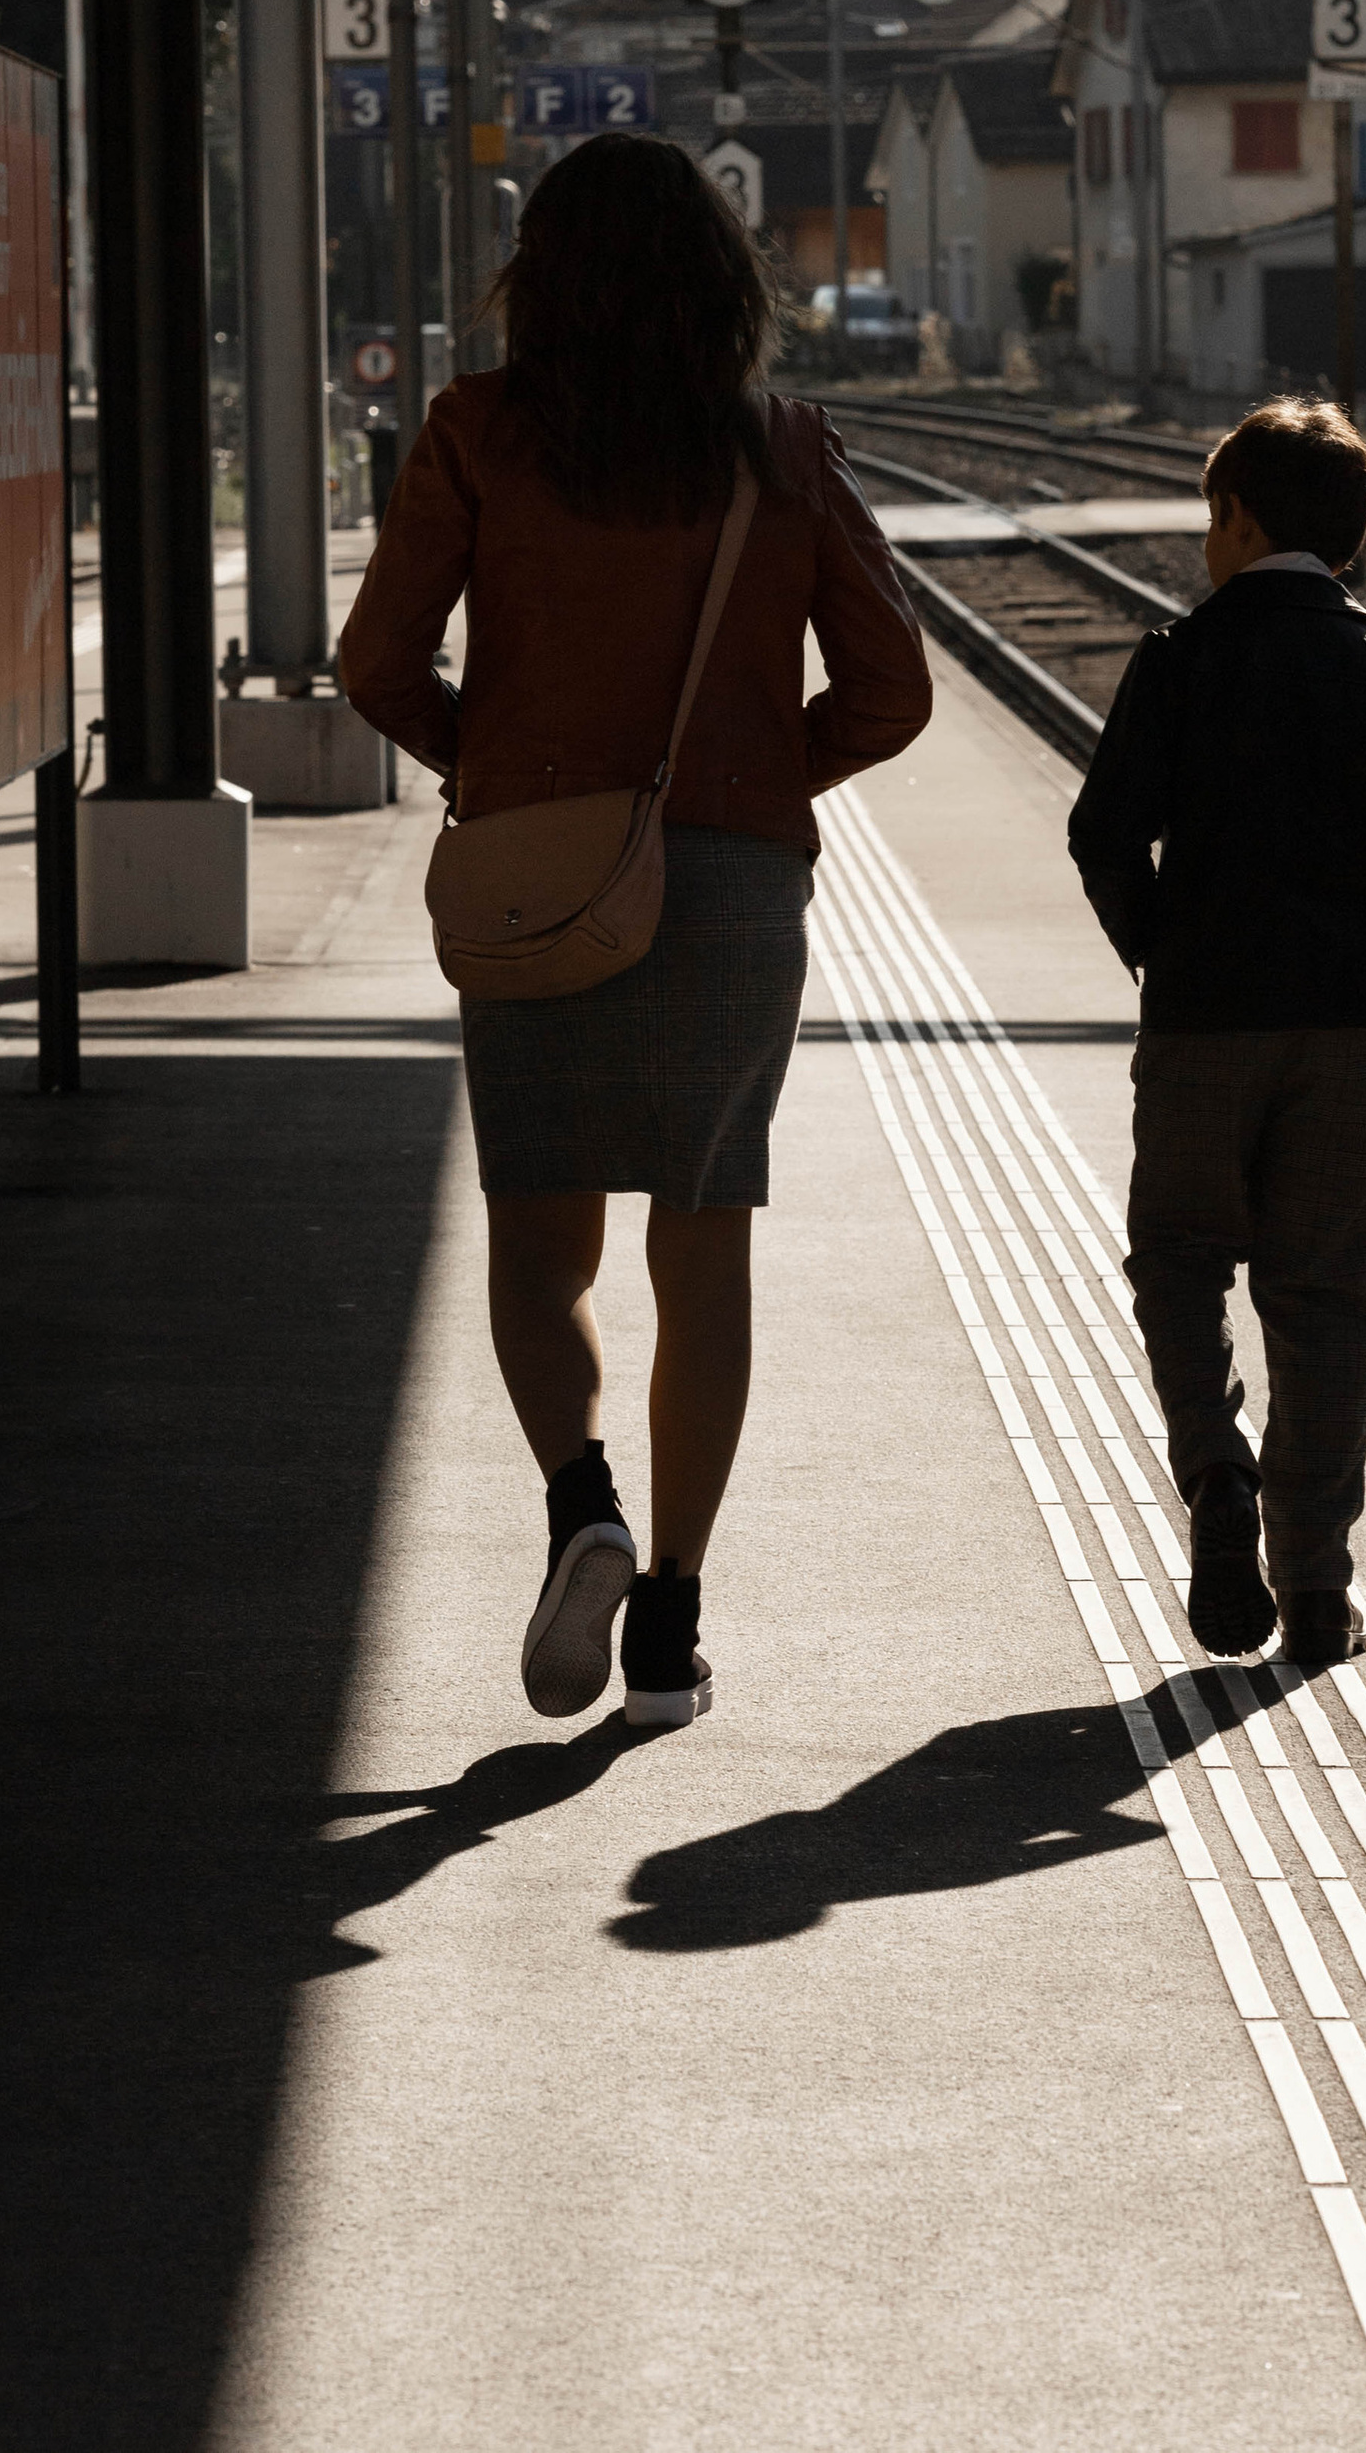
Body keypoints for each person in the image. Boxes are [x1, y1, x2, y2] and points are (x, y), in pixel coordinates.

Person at [339, 135, 931, 1731]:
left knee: (542, 1251)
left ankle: (578, 1509)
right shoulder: (783, 452)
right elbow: (893, 694)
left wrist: (507, 768)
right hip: (732, 892)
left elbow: (378, 665)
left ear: (539, 280)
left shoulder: (475, 435)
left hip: (542, 881)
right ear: (722, 286)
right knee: (705, 1244)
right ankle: (668, 1623)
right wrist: (739, 790)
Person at [1067, 396, 1366, 1666]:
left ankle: (1215, 1476)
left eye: (1212, 518)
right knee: (1323, 1299)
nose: (1205, 543)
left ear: (1240, 520)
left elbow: (1103, 833)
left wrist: (1157, 940)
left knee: (1181, 1262)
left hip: (1203, 1017)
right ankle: (1315, 1586)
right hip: (1337, 1028)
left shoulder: (1180, 659)